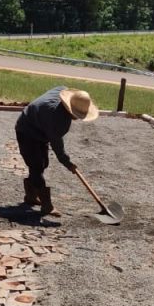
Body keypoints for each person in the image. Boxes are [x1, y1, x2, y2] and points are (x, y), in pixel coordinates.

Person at [15, 86, 99, 216]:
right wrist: (67, 162)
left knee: (42, 163)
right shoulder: (58, 120)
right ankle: (46, 206)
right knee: (36, 165)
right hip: (26, 130)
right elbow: (57, 146)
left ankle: (30, 196)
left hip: (39, 127)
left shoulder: (62, 90)